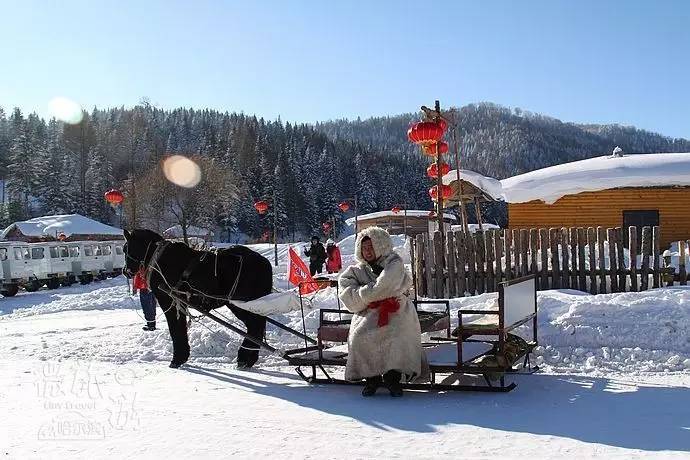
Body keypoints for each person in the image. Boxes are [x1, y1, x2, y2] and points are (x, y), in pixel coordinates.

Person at [338, 226, 425, 397]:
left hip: (397, 312)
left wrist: (364, 293)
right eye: (364, 248)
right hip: (368, 315)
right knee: (359, 337)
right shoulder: (356, 271)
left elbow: (387, 285)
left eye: (371, 247)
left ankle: (393, 379)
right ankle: (372, 379)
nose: (367, 251)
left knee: (397, 336)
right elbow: (347, 294)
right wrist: (370, 294)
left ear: (381, 245)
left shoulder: (394, 263)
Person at [133, 267, 157, 331]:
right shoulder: (144, 265)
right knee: (149, 307)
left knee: (147, 307)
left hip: (145, 288)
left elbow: (138, 277)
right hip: (146, 288)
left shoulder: (143, 266)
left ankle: (151, 325)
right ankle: (151, 323)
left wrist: (135, 287)